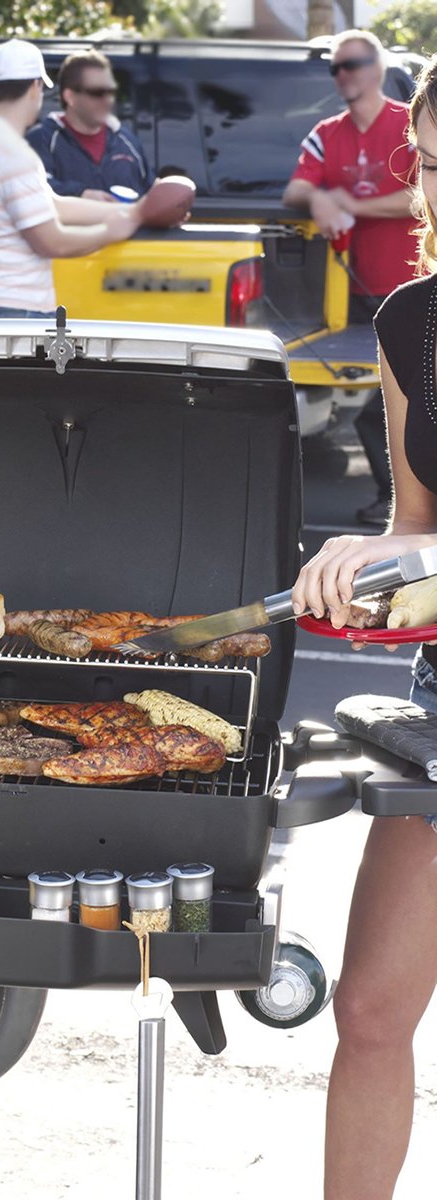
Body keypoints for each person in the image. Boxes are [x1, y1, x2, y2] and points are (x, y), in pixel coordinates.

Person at [290, 53, 437, 1200]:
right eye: (431, 168)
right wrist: (363, 569)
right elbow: (416, 529)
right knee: (371, 1007)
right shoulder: (413, 324)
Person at [282, 29, 416, 529]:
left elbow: (417, 196)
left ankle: (406, 508)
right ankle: (400, 504)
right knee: (374, 403)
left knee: (399, 402)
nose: (344, 74)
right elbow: (296, 188)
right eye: (336, 67)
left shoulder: (410, 123)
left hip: (414, 285)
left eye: (354, 63)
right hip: (353, 295)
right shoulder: (327, 131)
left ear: (377, 68)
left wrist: (349, 204)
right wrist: (320, 199)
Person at [0, 39, 139, 319]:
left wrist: (131, 211)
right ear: (35, 87)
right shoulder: (11, 152)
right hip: (12, 309)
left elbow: (50, 203)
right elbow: (52, 242)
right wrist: (111, 231)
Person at [26, 49, 153, 202]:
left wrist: (168, 207)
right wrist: (81, 194)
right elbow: (30, 193)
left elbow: (149, 193)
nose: (108, 100)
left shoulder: (127, 141)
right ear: (70, 97)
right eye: (98, 92)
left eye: (112, 92)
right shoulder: (41, 140)